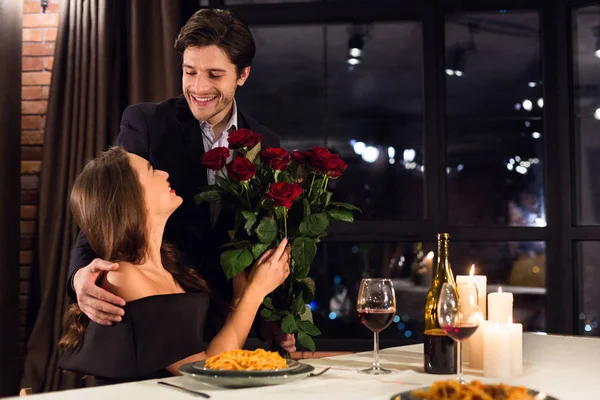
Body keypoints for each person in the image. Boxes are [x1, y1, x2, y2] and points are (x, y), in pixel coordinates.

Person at [66, 9, 295, 351]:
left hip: (228, 324)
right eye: (190, 72)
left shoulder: (266, 143)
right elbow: (108, 207)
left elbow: (261, 241)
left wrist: (272, 318)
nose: (199, 87)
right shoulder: (146, 122)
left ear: (243, 75)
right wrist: (80, 275)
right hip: (155, 318)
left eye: (215, 75)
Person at [58, 147, 291, 383]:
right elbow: (207, 372)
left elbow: (213, 350)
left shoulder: (170, 264)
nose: (164, 174)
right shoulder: (122, 276)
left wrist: (244, 291)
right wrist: (256, 291)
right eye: (151, 171)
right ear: (131, 198)